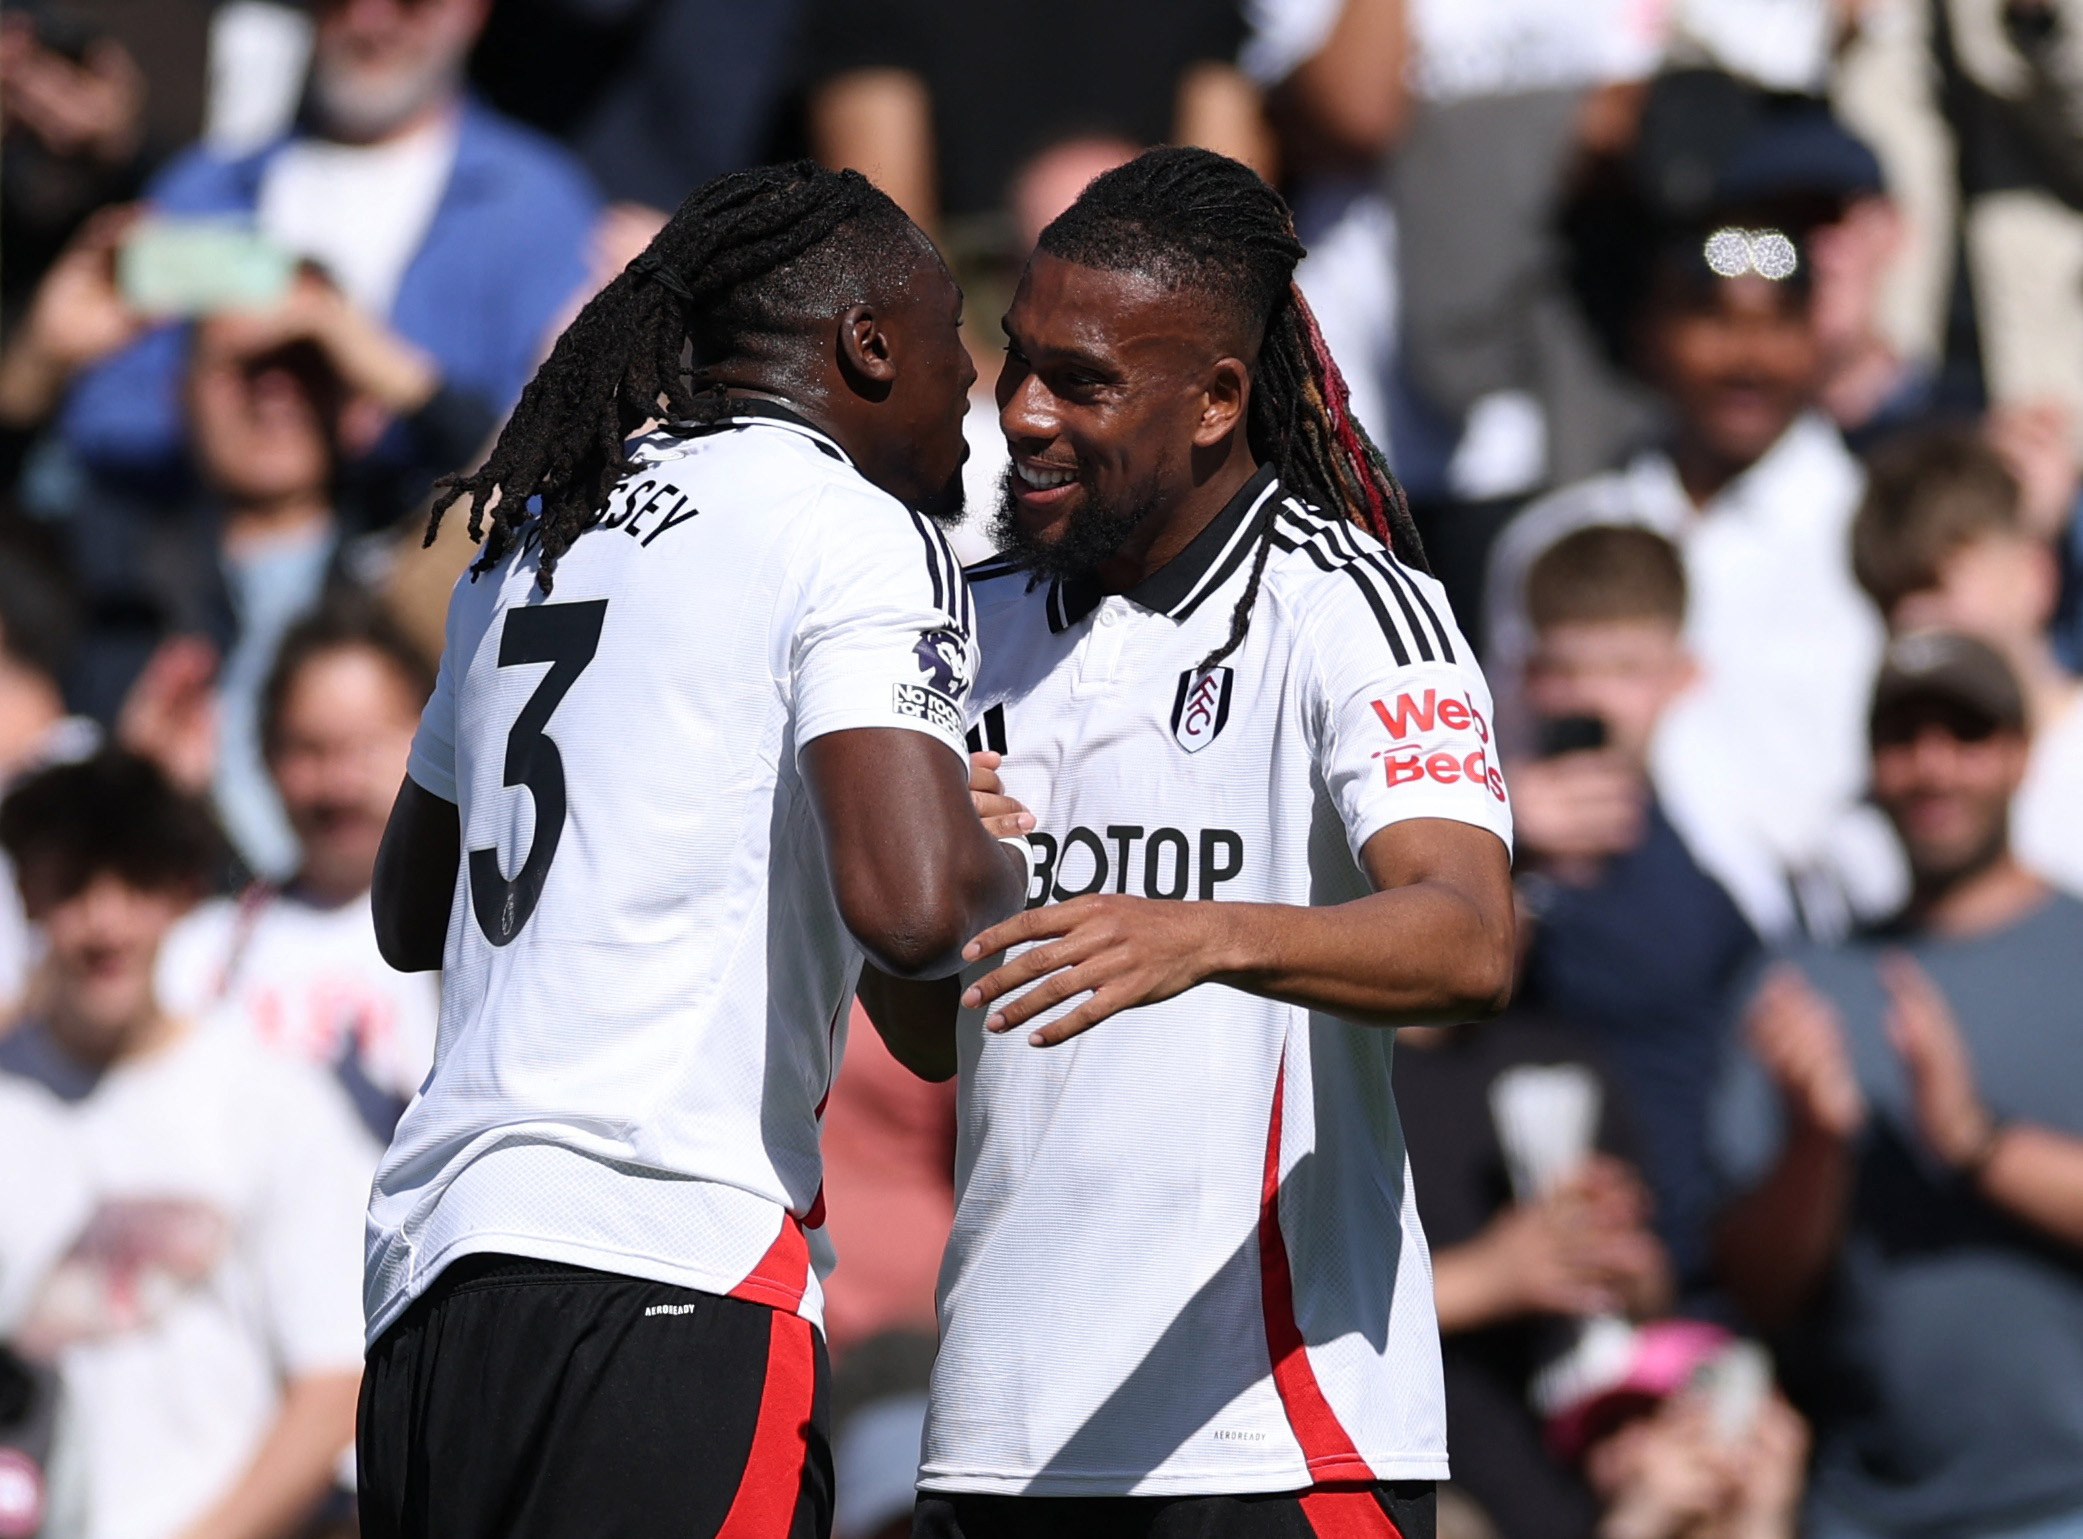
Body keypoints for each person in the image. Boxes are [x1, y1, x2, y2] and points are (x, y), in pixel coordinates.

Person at [356, 161, 1027, 1539]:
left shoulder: (527, 528)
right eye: (955, 327)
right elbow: (911, 911)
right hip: (663, 1264)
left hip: (436, 1276)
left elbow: (408, 905)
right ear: (866, 341)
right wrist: (992, 851)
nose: (977, 376)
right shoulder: (852, 527)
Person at [868, 147, 1516, 1539]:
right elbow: (930, 1033)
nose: (1023, 414)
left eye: (1082, 380)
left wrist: (1205, 932)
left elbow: (1466, 936)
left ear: (1218, 398)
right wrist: (936, 901)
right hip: (998, 1429)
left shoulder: (1351, 607)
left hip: (1271, 1433)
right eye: (1016, 361)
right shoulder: (951, 623)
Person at [1711, 630, 2083, 1539]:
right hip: (1860, 1506)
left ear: (2019, 754)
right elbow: (1754, 1286)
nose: (1932, 767)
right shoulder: (1799, 985)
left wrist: (1973, 1142)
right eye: (1903, 736)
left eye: (1965, 734)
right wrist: (1813, 1141)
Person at [0, 750, 375, 1539]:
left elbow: (336, 1379)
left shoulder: (274, 1100)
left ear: (179, 893)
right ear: (29, 895)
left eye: (134, 883)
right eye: (71, 886)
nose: (103, 922)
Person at [1485, 214, 1891, 940]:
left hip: (1815, 962)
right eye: (1711, 318)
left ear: (1816, 340)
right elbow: (1493, 762)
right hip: (1584, 963)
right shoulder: (1550, 540)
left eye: (1778, 324)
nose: (1748, 357)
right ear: (1649, 334)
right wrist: (1505, 821)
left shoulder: (1875, 536)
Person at [53, 0, 598, 503]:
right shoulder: (207, 189)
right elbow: (102, 422)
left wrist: (379, 383)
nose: (370, 18)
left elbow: (554, 451)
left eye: (410, 1)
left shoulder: (536, 204)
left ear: (470, 11)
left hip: (430, 581)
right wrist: (245, 421)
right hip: (205, 579)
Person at [1509, 526, 1759, 1283]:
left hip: (1671, 1275)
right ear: (1525, 674)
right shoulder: (1457, 837)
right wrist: (1503, 849)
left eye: (1624, 669)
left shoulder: (1714, 876)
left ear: (1681, 677)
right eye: (1566, 669)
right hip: (1482, 1271)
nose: (1591, 697)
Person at [157, 597, 437, 1141]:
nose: (338, 784)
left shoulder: (476, 945)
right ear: (266, 756)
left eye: (365, 747)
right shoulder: (199, 952)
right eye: (309, 749)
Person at [1393, 1013, 1671, 1539]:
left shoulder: (1560, 1058)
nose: (1516, 927)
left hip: (1568, 1460)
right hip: (1426, 1466)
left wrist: (1615, 1255)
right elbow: (1285, 1310)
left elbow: (1655, 1293)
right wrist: (1492, 1277)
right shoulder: (1335, 1071)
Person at [1851, 428, 2083, 894]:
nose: (1912, 623)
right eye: (1889, 600)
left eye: (1935, 587)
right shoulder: (1867, 823)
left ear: (2035, 576)